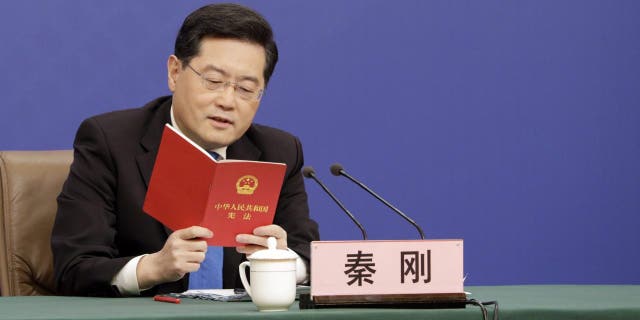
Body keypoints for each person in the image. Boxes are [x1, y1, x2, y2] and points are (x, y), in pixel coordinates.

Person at [51, 3, 319, 297]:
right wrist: (152, 267)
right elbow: (74, 268)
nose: (227, 101)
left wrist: (280, 261)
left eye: (245, 89)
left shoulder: (278, 152)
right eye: (214, 81)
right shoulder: (110, 142)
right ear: (175, 72)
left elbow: (308, 257)